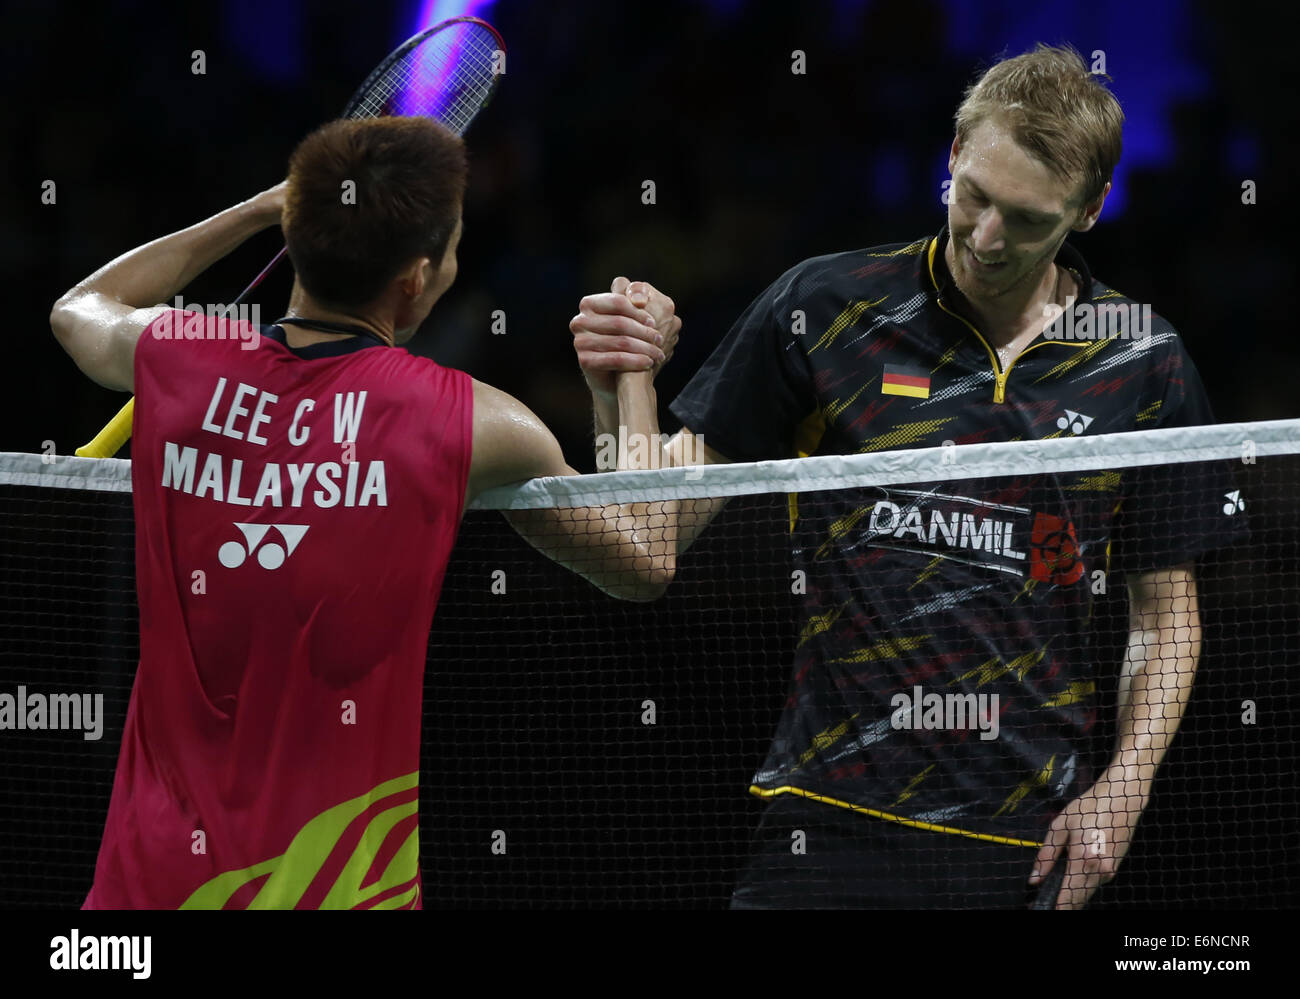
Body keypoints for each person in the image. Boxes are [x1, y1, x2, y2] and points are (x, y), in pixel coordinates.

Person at [571, 43, 1246, 909]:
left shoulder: (1143, 359)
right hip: (829, 817)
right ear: (954, 153)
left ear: (1089, 210)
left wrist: (1125, 787)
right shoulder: (824, 308)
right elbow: (643, 545)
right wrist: (619, 390)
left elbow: (1166, 613)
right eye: (975, 198)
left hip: (1031, 838)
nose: (988, 240)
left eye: (1029, 219)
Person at [50, 115, 680, 909]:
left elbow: (81, 305)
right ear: (416, 280)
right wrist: (628, 377)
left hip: (148, 892)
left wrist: (256, 212)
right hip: (347, 890)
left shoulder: (174, 357)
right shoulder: (471, 420)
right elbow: (648, 556)